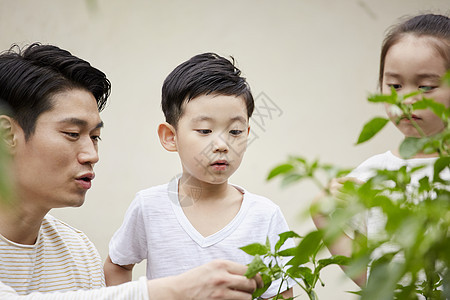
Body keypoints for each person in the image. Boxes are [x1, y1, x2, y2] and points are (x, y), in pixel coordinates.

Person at [0, 43, 262, 299]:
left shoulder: (78, 252)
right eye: (72, 133)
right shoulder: (150, 206)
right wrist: (174, 291)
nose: (92, 155)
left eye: (95, 137)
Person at [104, 53, 295, 299]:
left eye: (235, 131)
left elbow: (281, 292)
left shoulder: (265, 216)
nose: (222, 144)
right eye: (205, 130)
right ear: (170, 137)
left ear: (247, 133)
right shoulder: (150, 207)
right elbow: (118, 264)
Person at [312, 13, 450, 287]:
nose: (406, 100)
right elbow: (374, 280)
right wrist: (323, 216)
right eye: (395, 85)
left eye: (425, 86)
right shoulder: (370, 174)